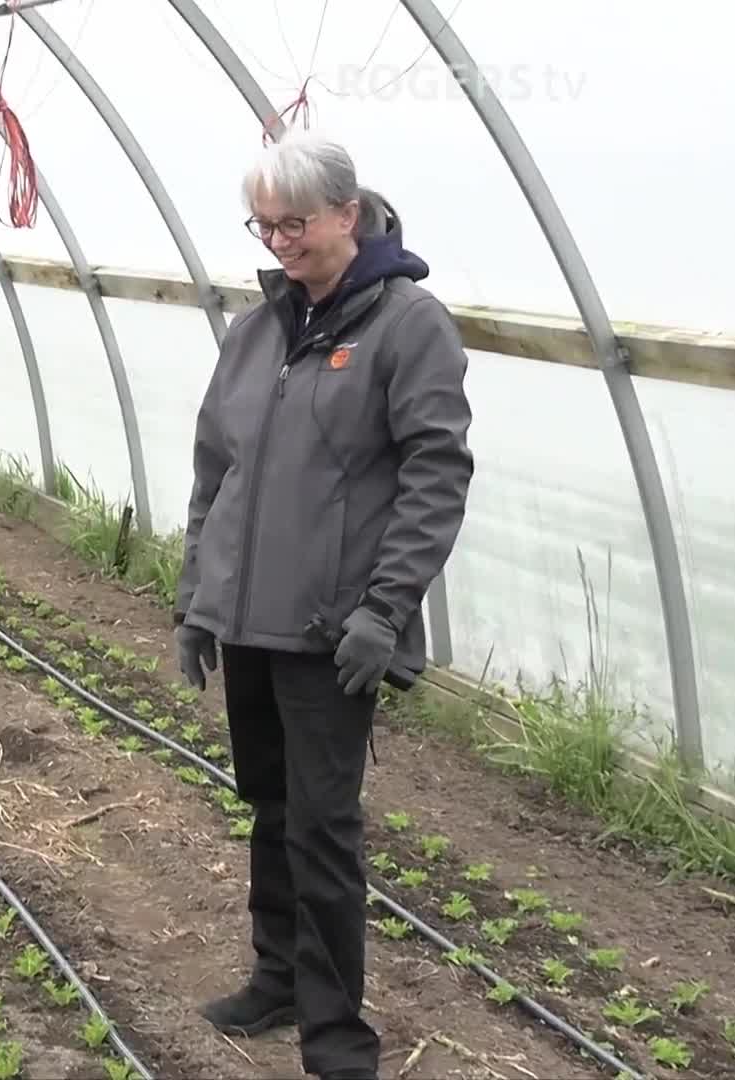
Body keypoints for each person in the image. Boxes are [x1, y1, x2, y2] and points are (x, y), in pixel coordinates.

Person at [173, 132, 473, 1080]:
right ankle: (277, 979)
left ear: (349, 214)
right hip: (250, 622)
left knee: (325, 829)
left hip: (332, 630)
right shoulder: (258, 329)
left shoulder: (408, 325)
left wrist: (386, 611)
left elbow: (436, 475)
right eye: (262, 226)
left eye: (293, 223)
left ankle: (338, 1040)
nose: (277, 242)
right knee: (267, 806)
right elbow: (216, 471)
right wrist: (197, 601)